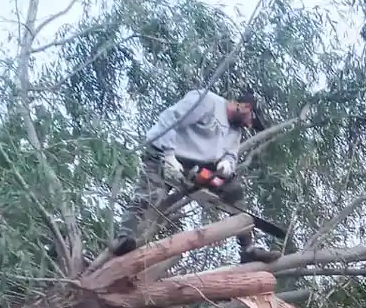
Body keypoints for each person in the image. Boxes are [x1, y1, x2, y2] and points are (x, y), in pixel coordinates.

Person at [111, 87, 280, 260]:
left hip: (195, 167)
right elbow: (170, 119)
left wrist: (226, 164)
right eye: (251, 119)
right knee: (149, 196)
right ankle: (124, 238)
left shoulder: (236, 130)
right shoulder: (206, 102)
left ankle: (247, 250)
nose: (249, 125)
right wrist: (168, 155)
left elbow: (231, 154)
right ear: (245, 106)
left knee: (233, 189)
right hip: (162, 154)